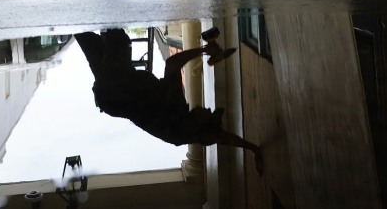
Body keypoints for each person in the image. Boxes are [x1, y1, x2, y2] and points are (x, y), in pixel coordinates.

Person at [74, 28, 264, 174]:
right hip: (110, 97)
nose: (206, 108)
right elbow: (221, 137)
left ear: (200, 122)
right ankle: (75, 14)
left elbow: (172, 64)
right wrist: (253, 148)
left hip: (119, 87)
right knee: (91, 41)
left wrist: (205, 50)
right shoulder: (186, 133)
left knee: (118, 38)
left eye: (208, 113)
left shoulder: (177, 111)